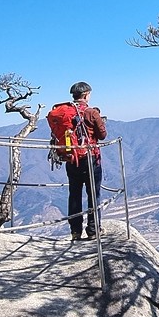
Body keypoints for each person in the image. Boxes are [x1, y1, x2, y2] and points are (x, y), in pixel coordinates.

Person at [62, 81, 107, 241]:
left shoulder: (64, 113)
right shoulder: (91, 112)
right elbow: (102, 135)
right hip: (90, 158)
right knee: (93, 194)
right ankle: (94, 230)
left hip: (71, 158)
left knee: (74, 194)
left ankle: (75, 231)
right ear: (86, 94)